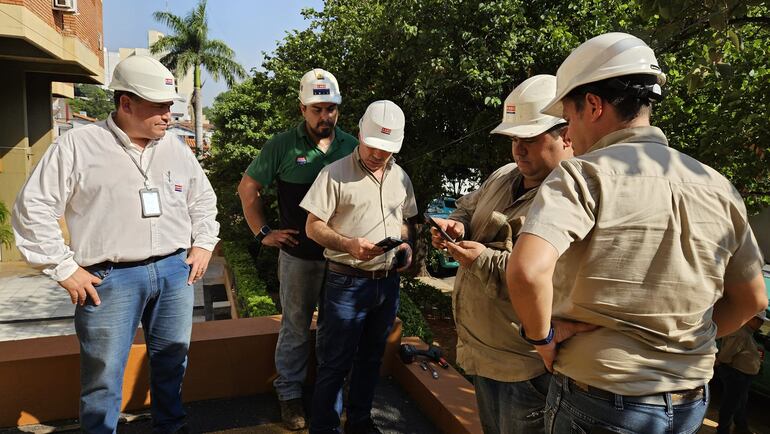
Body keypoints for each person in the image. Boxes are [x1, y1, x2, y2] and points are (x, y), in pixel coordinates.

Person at [504, 32, 767, 433]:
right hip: (689, 403)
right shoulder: (717, 185)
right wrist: (684, 340)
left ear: (593, 105)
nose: (568, 136)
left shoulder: (582, 175)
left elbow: (526, 271)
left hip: (601, 398)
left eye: (569, 118)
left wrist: (543, 339)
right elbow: (752, 298)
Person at [12, 55, 219, 434]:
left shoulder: (174, 148)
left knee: (173, 361)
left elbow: (202, 200)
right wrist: (64, 268)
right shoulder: (79, 146)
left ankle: (171, 426)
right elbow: (32, 208)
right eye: (158, 106)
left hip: (175, 272)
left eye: (169, 105)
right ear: (126, 103)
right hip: (110, 278)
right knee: (104, 374)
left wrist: (203, 243)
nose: (167, 115)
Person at [429, 75, 576, 434]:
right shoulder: (503, 176)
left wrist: (482, 259)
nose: (518, 149)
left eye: (529, 138)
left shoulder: (572, 195)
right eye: (513, 139)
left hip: (524, 366)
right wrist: (456, 226)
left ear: (566, 133)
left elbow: (555, 277)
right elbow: (466, 207)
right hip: (483, 355)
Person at [237, 68, 357, 430]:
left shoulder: (351, 145)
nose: (325, 116)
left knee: (338, 328)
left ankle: (329, 394)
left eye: (331, 109)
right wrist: (263, 233)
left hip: (341, 259)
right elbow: (248, 189)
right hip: (299, 258)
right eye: (317, 109)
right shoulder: (281, 145)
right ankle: (289, 394)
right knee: (295, 327)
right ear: (302, 108)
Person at [301, 100, 417, 434]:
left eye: (386, 149)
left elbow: (407, 221)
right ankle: (325, 428)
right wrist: (349, 244)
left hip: (386, 284)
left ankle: (360, 422)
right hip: (345, 283)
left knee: (370, 360)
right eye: (373, 145)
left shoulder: (401, 178)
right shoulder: (334, 173)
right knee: (334, 363)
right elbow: (313, 227)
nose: (378, 154)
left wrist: (407, 244)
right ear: (361, 134)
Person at [716, 310, 768, 434]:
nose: (760, 325)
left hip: (742, 375)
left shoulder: (748, 332)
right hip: (736, 373)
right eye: (759, 321)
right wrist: (723, 364)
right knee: (730, 405)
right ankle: (723, 430)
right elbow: (726, 354)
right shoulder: (741, 333)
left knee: (740, 402)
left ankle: (740, 426)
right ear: (751, 319)